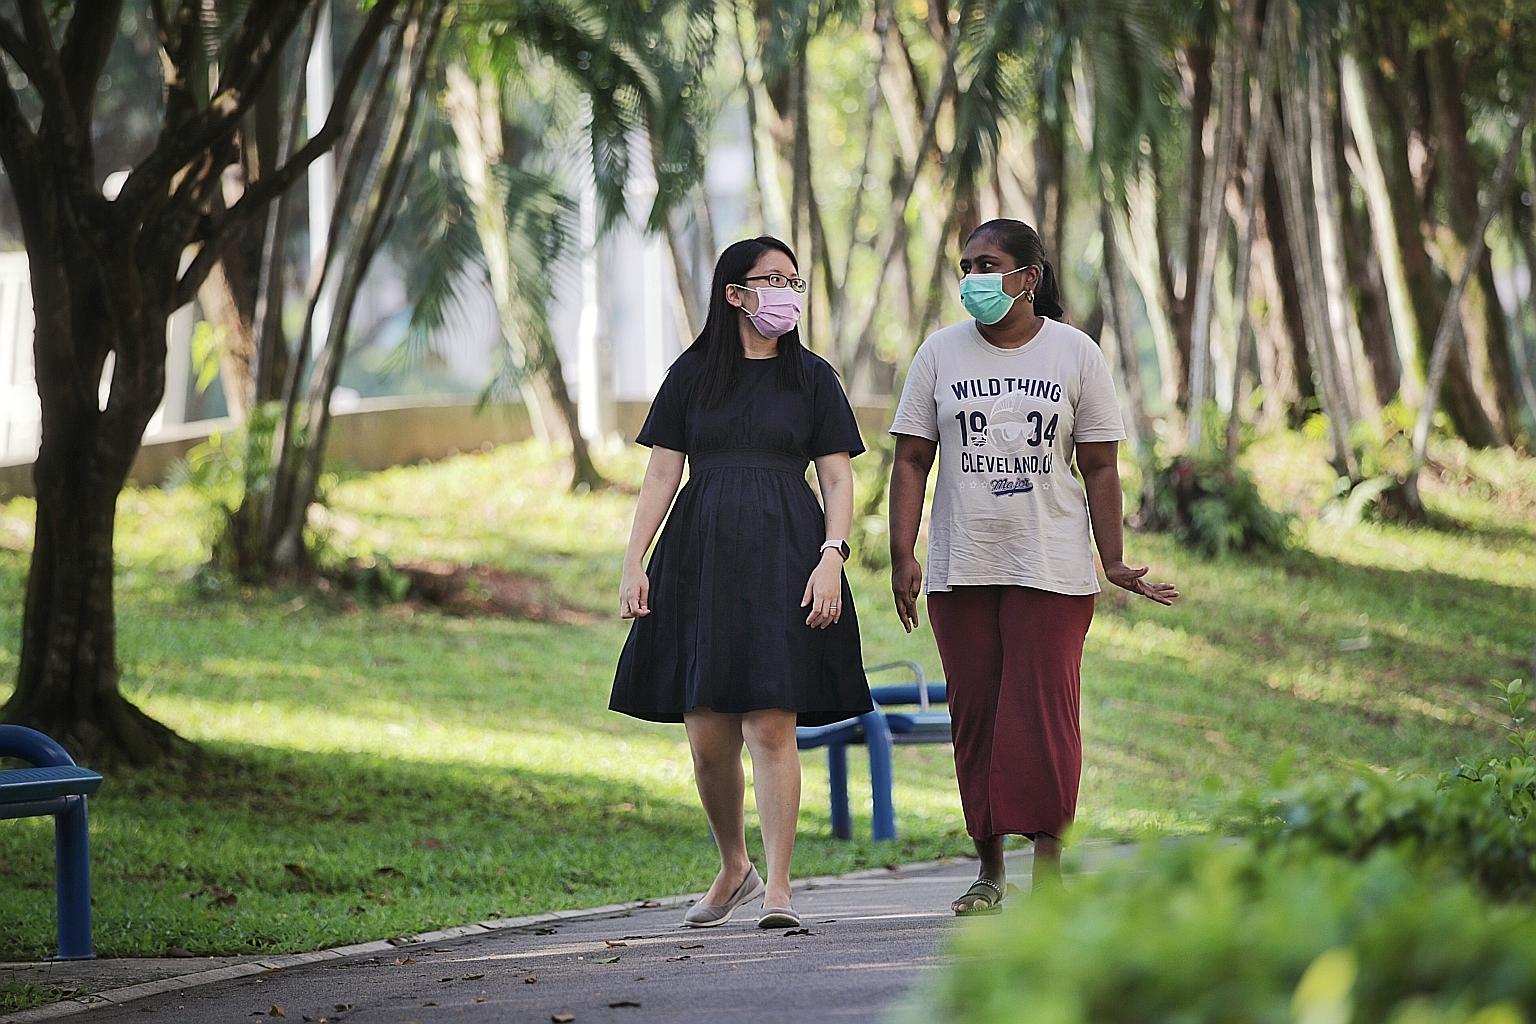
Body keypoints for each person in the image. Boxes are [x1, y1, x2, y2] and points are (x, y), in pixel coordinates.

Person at [887, 218, 1179, 914]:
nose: (973, 279)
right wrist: (905, 554)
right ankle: (989, 872)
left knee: (1045, 722)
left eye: (988, 265)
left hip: (1052, 569)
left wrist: (1112, 560)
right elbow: (909, 460)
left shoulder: (1075, 355)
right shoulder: (938, 354)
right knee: (977, 720)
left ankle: (1048, 872)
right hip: (962, 569)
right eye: (965, 266)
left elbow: (1101, 464)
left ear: (1028, 276)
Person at [611, 236, 872, 930]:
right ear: (735, 293)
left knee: (771, 721)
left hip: (788, 551)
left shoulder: (813, 377)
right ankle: (736, 866)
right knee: (707, 734)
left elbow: (839, 475)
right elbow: (662, 473)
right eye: (770, 279)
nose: (785, 291)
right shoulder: (691, 374)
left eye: (794, 279)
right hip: (700, 557)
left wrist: (832, 555)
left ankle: (781, 887)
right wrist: (635, 559)